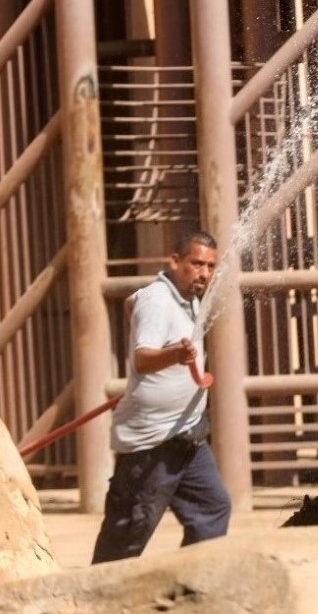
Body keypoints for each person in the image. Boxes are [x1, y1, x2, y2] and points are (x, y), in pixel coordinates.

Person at [91, 231, 231, 563]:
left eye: (210, 266)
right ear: (174, 261)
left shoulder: (187, 297)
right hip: (151, 444)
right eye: (196, 264)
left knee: (213, 508)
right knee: (129, 535)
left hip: (187, 436)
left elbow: (131, 302)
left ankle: (190, 589)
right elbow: (142, 359)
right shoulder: (158, 300)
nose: (204, 273)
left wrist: (140, 323)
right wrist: (174, 356)